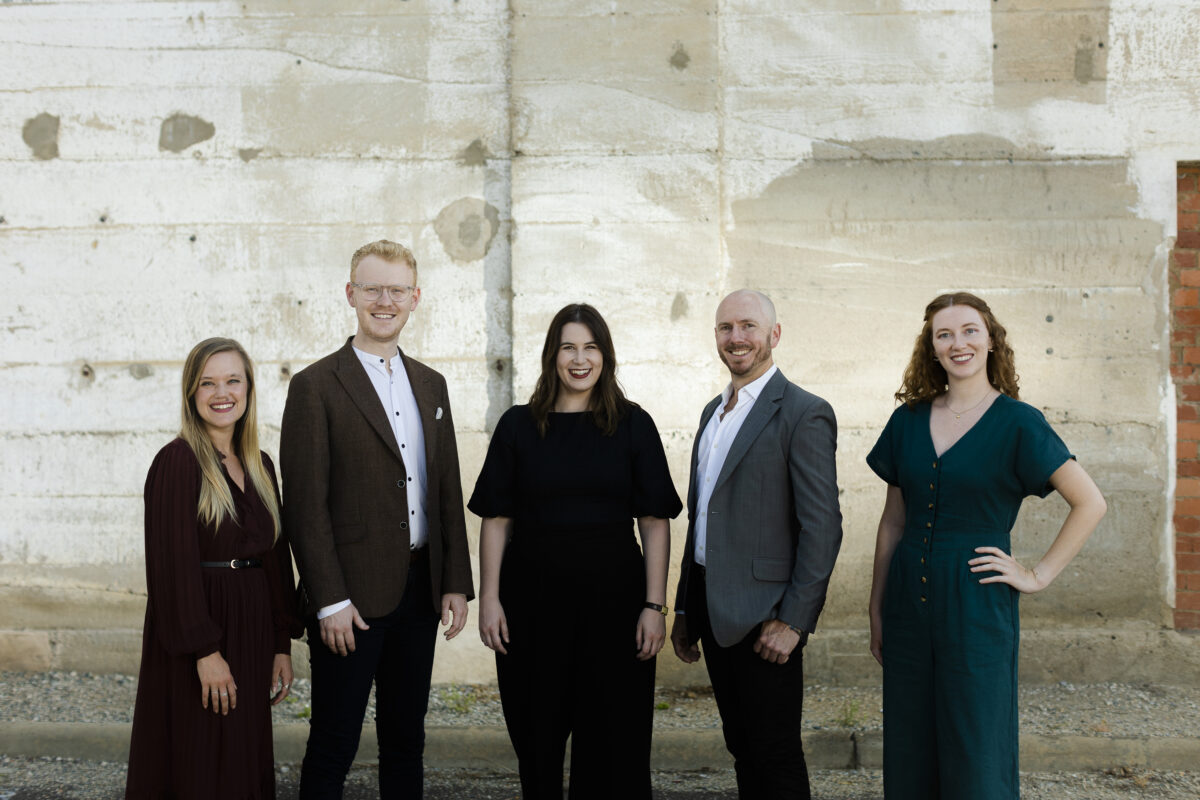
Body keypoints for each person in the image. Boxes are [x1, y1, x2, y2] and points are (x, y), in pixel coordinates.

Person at [866, 292, 1107, 799]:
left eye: (970, 331)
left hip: (977, 599)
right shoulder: (907, 420)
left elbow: (1090, 503)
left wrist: (1037, 575)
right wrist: (876, 607)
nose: (959, 344)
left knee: (977, 742)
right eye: (944, 335)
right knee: (910, 742)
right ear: (931, 348)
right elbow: (893, 522)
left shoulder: (1019, 422)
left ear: (991, 339)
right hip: (908, 599)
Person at [280, 239, 474, 799]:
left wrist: (455, 583)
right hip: (350, 600)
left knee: (405, 741)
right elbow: (304, 506)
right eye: (372, 289)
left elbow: (445, 489)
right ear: (350, 295)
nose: (383, 301)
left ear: (415, 298)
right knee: (334, 740)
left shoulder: (432, 385)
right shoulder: (315, 386)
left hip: (419, 592)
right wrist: (329, 600)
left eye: (396, 290)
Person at [470, 303, 682, 799]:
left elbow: (654, 522)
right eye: (568, 347)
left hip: (616, 611)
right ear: (552, 356)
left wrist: (655, 606)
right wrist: (490, 598)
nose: (580, 359)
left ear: (605, 356)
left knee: (615, 749)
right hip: (531, 610)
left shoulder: (633, 425)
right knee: (537, 742)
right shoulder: (518, 426)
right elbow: (496, 518)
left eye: (591, 347)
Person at [669, 290, 843, 800]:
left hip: (768, 616)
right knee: (742, 747)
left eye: (748, 325)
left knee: (775, 754)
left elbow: (823, 527)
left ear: (774, 334)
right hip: (711, 605)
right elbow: (704, 515)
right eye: (725, 328)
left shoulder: (804, 412)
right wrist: (684, 608)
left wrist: (793, 621)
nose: (736, 338)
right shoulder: (712, 412)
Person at [125, 337, 301, 800]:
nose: (221, 393)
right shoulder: (178, 461)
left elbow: (276, 558)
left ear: (248, 389)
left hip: (252, 628)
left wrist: (281, 642)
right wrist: (205, 651)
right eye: (207, 383)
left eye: (232, 381)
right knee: (199, 756)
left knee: (242, 754)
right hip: (198, 631)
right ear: (191, 393)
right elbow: (170, 567)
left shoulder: (260, 464)